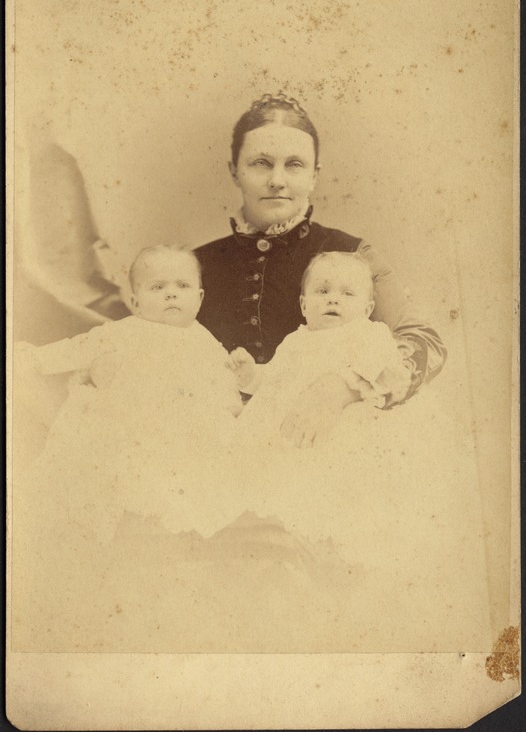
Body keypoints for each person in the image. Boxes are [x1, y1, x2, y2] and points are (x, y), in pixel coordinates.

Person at [194, 92, 446, 447]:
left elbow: (424, 342)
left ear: (314, 175)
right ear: (235, 170)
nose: (277, 180)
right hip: (217, 441)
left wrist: (341, 387)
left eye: (294, 165)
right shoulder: (192, 266)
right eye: (261, 163)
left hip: (325, 441)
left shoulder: (354, 253)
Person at [15, 245, 242, 540]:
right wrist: (34, 358)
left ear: (199, 298)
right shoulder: (124, 332)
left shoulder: (204, 340)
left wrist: (232, 407)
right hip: (128, 422)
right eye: (157, 287)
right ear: (136, 301)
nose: (171, 294)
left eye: (182, 286)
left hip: (182, 428)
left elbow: (220, 379)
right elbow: (78, 347)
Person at [229, 251, 411, 446]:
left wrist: (349, 382)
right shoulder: (294, 340)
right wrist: (251, 375)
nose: (333, 299)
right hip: (281, 429)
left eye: (347, 293)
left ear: (367, 310)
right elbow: (274, 380)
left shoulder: (365, 334)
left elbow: (390, 371)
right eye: (323, 291)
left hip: (335, 429)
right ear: (304, 305)